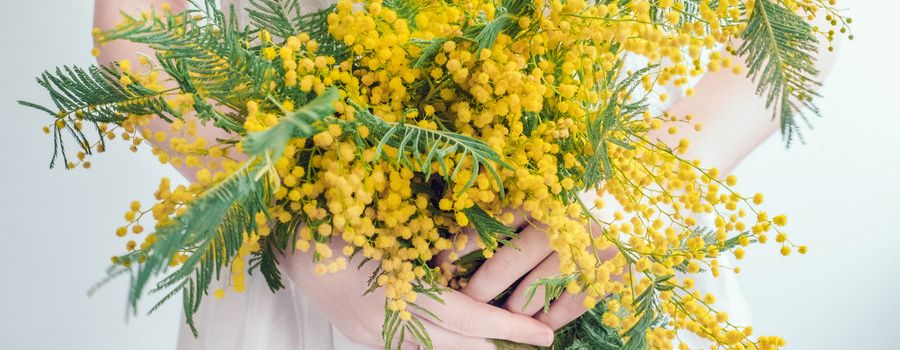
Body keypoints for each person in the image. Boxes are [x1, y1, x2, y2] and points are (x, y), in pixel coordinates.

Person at [94, 1, 841, 349]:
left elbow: (797, 14)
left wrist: (625, 202)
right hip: (313, 278)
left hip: (599, 253)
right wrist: (296, 227)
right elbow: (133, 26)